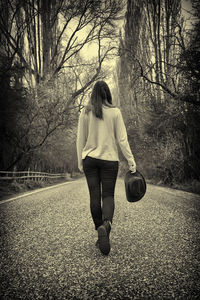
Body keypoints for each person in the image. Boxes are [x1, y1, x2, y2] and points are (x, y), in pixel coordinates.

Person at [76, 80, 136, 255]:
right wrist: (131, 161)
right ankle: (106, 226)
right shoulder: (115, 112)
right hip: (110, 160)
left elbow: (80, 139)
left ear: (93, 94)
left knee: (94, 196)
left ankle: (100, 230)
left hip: (90, 159)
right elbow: (122, 140)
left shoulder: (85, 112)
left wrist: (80, 160)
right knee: (108, 195)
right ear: (108, 94)